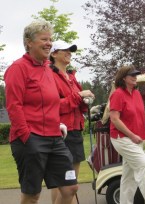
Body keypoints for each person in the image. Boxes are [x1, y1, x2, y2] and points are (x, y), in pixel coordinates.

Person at [4, 20, 78, 204]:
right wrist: (26, 137)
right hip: (30, 139)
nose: (49, 43)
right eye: (44, 39)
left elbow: (52, 103)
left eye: (50, 39)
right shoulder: (17, 68)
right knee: (32, 195)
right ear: (29, 42)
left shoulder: (47, 68)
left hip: (54, 137)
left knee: (70, 187)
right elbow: (14, 106)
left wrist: (58, 122)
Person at [49, 40, 95, 204]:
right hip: (61, 132)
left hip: (75, 131)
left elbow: (78, 106)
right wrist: (79, 96)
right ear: (54, 54)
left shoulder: (72, 77)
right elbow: (53, 106)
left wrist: (85, 100)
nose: (69, 52)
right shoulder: (50, 76)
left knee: (64, 183)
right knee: (68, 183)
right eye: (65, 50)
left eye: (71, 50)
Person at [109, 65, 145, 204]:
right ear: (124, 78)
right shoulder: (118, 94)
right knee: (144, 165)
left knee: (128, 176)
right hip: (123, 138)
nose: (135, 77)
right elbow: (115, 119)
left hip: (136, 138)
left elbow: (137, 113)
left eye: (136, 74)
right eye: (132, 75)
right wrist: (131, 135)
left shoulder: (136, 93)